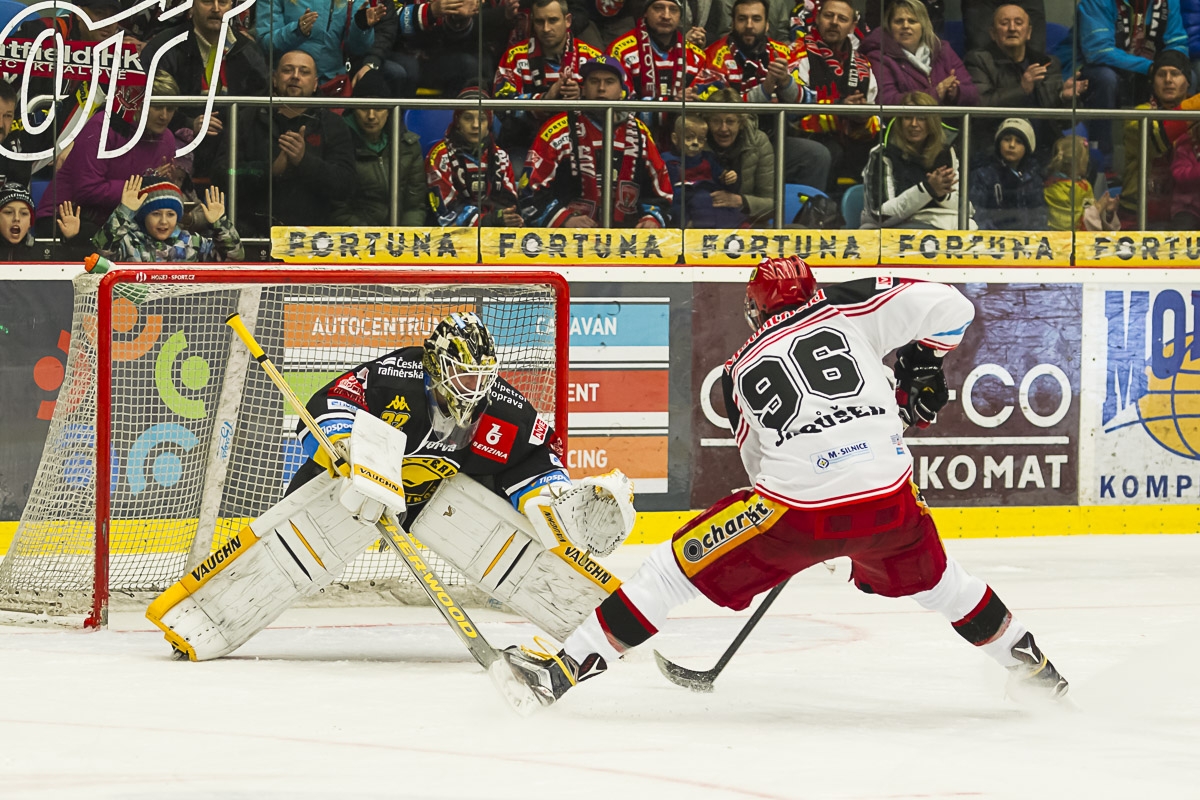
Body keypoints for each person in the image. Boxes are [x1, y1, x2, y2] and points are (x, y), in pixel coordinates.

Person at [494, 255, 1070, 710]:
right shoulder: (850, 312)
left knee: (668, 573)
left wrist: (807, 541)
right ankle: (1038, 674)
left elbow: (760, 472)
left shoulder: (737, 370)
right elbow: (954, 307)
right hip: (892, 503)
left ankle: (558, 673)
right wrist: (922, 360)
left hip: (797, 513)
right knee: (945, 585)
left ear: (754, 309)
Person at [214, 50, 358, 235]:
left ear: (315, 84)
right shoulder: (247, 118)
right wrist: (268, 171)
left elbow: (346, 184)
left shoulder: (332, 124)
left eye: (304, 72)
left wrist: (304, 161)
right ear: (274, 79)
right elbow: (223, 173)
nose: (295, 76)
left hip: (314, 237)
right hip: (253, 234)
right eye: (288, 70)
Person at [519, 56, 673, 228]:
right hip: (567, 238)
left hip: (627, 237)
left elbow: (661, 193)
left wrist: (652, 218)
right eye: (594, 81)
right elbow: (529, 193)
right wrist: (564, 219)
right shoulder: (557, 130)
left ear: (622, 91)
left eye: (609, 82)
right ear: (583, 89)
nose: (601, 88)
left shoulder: (640, 133)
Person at [696, 0, 832, 191]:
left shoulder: (783, 52)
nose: (749, 25)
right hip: (728, 146)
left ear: (767, 24)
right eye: (742, 19)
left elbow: (807, 104)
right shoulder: (713, 55)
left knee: (817, 155)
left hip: (773, 138)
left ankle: (805, 208)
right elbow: (714, 111)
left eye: (756, 19)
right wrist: (765, 90)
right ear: (732, 23)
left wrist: (786, 83)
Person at [32, 77, 187, 243]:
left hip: (122, 222)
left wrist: (166, 187)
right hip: (68, 217)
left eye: (170, 108)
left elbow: (154, 196)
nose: (164, 115)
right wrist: (145, 186)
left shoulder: (167, 139)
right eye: (156, 107)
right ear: (137, 104)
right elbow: (87, 190)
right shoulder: (103, 126)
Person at [139, 0, 271, 183]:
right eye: (207, 1)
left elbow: (259, 108)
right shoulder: (164, 47)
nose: (216, 9)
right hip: (173, 156)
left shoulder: (249, 51)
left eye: (223, 2)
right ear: (191, 6)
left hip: (233, 159)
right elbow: (143, 102)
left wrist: (234, 129)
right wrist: (188, 123)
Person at [1055, 0, 1188, 170]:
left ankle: (1179, 156)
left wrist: (1167, 68)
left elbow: (1178, 44)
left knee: (1183, 77)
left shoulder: (1167, 2)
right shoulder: (1097, 1)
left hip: (1145, 70)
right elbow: (1098, 51)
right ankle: (1103, 163)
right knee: (1106, 79)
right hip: (1091, 71)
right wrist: (1152, 68)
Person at [964, 4, 1082, 163]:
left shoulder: (1047, 64)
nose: (1012, 28)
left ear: (1029, 32)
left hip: (1043, 147)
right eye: (1004, 23)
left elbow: (1065, 123)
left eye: (1018, 23)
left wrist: (1065, 98)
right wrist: (1022, 89)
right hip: (997, 148)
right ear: (992, 33)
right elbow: (980, 108)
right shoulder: (978, 61)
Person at [494, 0, 603, 152]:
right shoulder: (514, 57)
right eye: (539, 22)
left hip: (583, 146)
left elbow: (617, 101)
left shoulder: (593, 58)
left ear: (568, 20)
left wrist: (583, 95)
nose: (546, 29)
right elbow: (501, 107)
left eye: (553, 20)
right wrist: (545, 99)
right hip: (526, 144)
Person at [793, 0, 881, 182]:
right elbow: (794, 114)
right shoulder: (796, 53)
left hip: (853, 142)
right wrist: (840, 109)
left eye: (842, 19)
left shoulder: (863, 64)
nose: (834, 22)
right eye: (828, 16)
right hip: (809, 140)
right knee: (832, 150)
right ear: (817, 18)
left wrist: (863, 118)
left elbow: (874, 118)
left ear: (852, 26)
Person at [860, 92, 972, 230]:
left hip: (938, 223)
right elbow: (881, 215)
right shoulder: (882, 154)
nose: (914, 124)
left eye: (921, 118)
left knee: (971, 228)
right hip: (893, 229)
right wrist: (927, 189)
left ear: (932, 122)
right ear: (900, 122)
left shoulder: (946, 153)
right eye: (908, 118)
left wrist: (941, 196)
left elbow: (967, 210)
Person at [331, 70, 427, 226]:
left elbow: (414, 206)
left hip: (401, 233)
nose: (371, 116)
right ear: (353, 110)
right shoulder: (339, 144)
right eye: (364, 108)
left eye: (378, 108)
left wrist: (405, 235)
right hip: (357, 234)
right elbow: (339, 210)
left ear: (389, 111)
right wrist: (373, 236)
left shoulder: (407, 145)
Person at [1119, 49, 1200, 228]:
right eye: (1161, 74)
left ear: (1188, 81)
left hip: (1190, 211)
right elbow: (1158, 136)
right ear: (1152, 82)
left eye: (1175, 74)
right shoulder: (1138, 114)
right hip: (1139, 215)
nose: (1168, 80)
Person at [427, 88, 523, 227]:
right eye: (468, 118)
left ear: (489, 123)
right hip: (451, 235)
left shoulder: (500, 156)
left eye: (482, 119)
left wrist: (506, 217)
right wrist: (489, 220)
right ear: (457, 121)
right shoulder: (440, 156)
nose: (475, 125)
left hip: (493, 230)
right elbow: (446, 213)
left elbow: (510, 203)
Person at [91, 177, 244, 262]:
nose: (164, 221)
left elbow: (234, 257)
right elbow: (103, 252)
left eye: (171, 214)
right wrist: (124, 212)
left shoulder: (193, 243)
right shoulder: (129, 243)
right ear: (143, 216)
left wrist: (220, 224)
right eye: (156, 214)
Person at [859, 0, 980, 108]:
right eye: (899, 21)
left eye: (912, 21)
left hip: (945, 124)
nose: (905, 26)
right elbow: (886, 101)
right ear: (889, 27)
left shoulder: (943, 50)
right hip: (902, 125)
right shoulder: (879, 57)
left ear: (923, 26)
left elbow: (973, 94)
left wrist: (956, 92)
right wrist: (936, 93)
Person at [255, 0, 386, 87]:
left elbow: (358, 49)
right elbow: (266, 43)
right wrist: (296, 31)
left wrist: (361, 25)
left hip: (330, 84)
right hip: (288, 82)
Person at [607, 0, 707, 101]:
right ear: (645, 12)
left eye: (673, 10)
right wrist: (671, 100)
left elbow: (702, 100)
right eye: (658, 8)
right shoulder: (621, 51)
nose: (666, 16)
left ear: (680, 16)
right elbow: (618, 100)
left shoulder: (697, 57)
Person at [704, 87, 775, 225]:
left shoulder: (759, 142)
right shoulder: (696, 142)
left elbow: (773, 205)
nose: (723, 128)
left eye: (730, 121)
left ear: (741, 123)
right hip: (702, 223)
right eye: (716, 121)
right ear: (707, 122)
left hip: (748, 225)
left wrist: (741, 201)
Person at [663, 114, 744, 227]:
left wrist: (730, 177)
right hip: (681, 206)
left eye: (700, 140)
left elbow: (722, 177)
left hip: (709, 206)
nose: (695, 143)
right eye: (689, 138)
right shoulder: (667, 161)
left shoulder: (708, 158)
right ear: (675, 139)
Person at [968, 118, 1048, 230]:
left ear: (1027, 148)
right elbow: (978, 214)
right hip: (991, 238)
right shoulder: (982, 175)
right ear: (998, 143)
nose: (1012, 145)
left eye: (1019, 142)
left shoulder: (1033, 178)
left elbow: (1039, 218)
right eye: (1007, 139)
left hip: (1027, 239)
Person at [1043, 135, 1120, 231]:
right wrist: (1098, 209)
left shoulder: (1084, 185)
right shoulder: (1055, 190)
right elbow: (1067, 226)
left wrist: (1107, 212)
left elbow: (1087, 207)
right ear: (1080, 162)